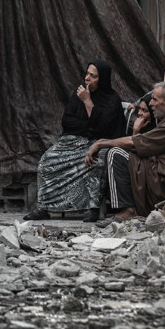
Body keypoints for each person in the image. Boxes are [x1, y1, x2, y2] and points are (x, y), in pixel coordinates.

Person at [25, 60, 126, 223]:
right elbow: (67, 121)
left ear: (103, 79)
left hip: (95, 143)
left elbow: (103, 128)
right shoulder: (77, 93)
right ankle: (44, 207)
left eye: (93, 76)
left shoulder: (111, 100)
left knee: (94, 163)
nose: (87, 78)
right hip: (71, 141)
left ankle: (92, 207)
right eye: (87, 74)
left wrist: (88, 102)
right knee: (46, 162)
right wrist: (90, 123)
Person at [85, 82, 165, 225]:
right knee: (119, 152)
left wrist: (100, 143)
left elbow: (136, 142)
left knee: (115, 154)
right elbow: (141, 143)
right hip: (158, 174)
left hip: (163, 184)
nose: (152, 104)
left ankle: (127, 211)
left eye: (155, 100)